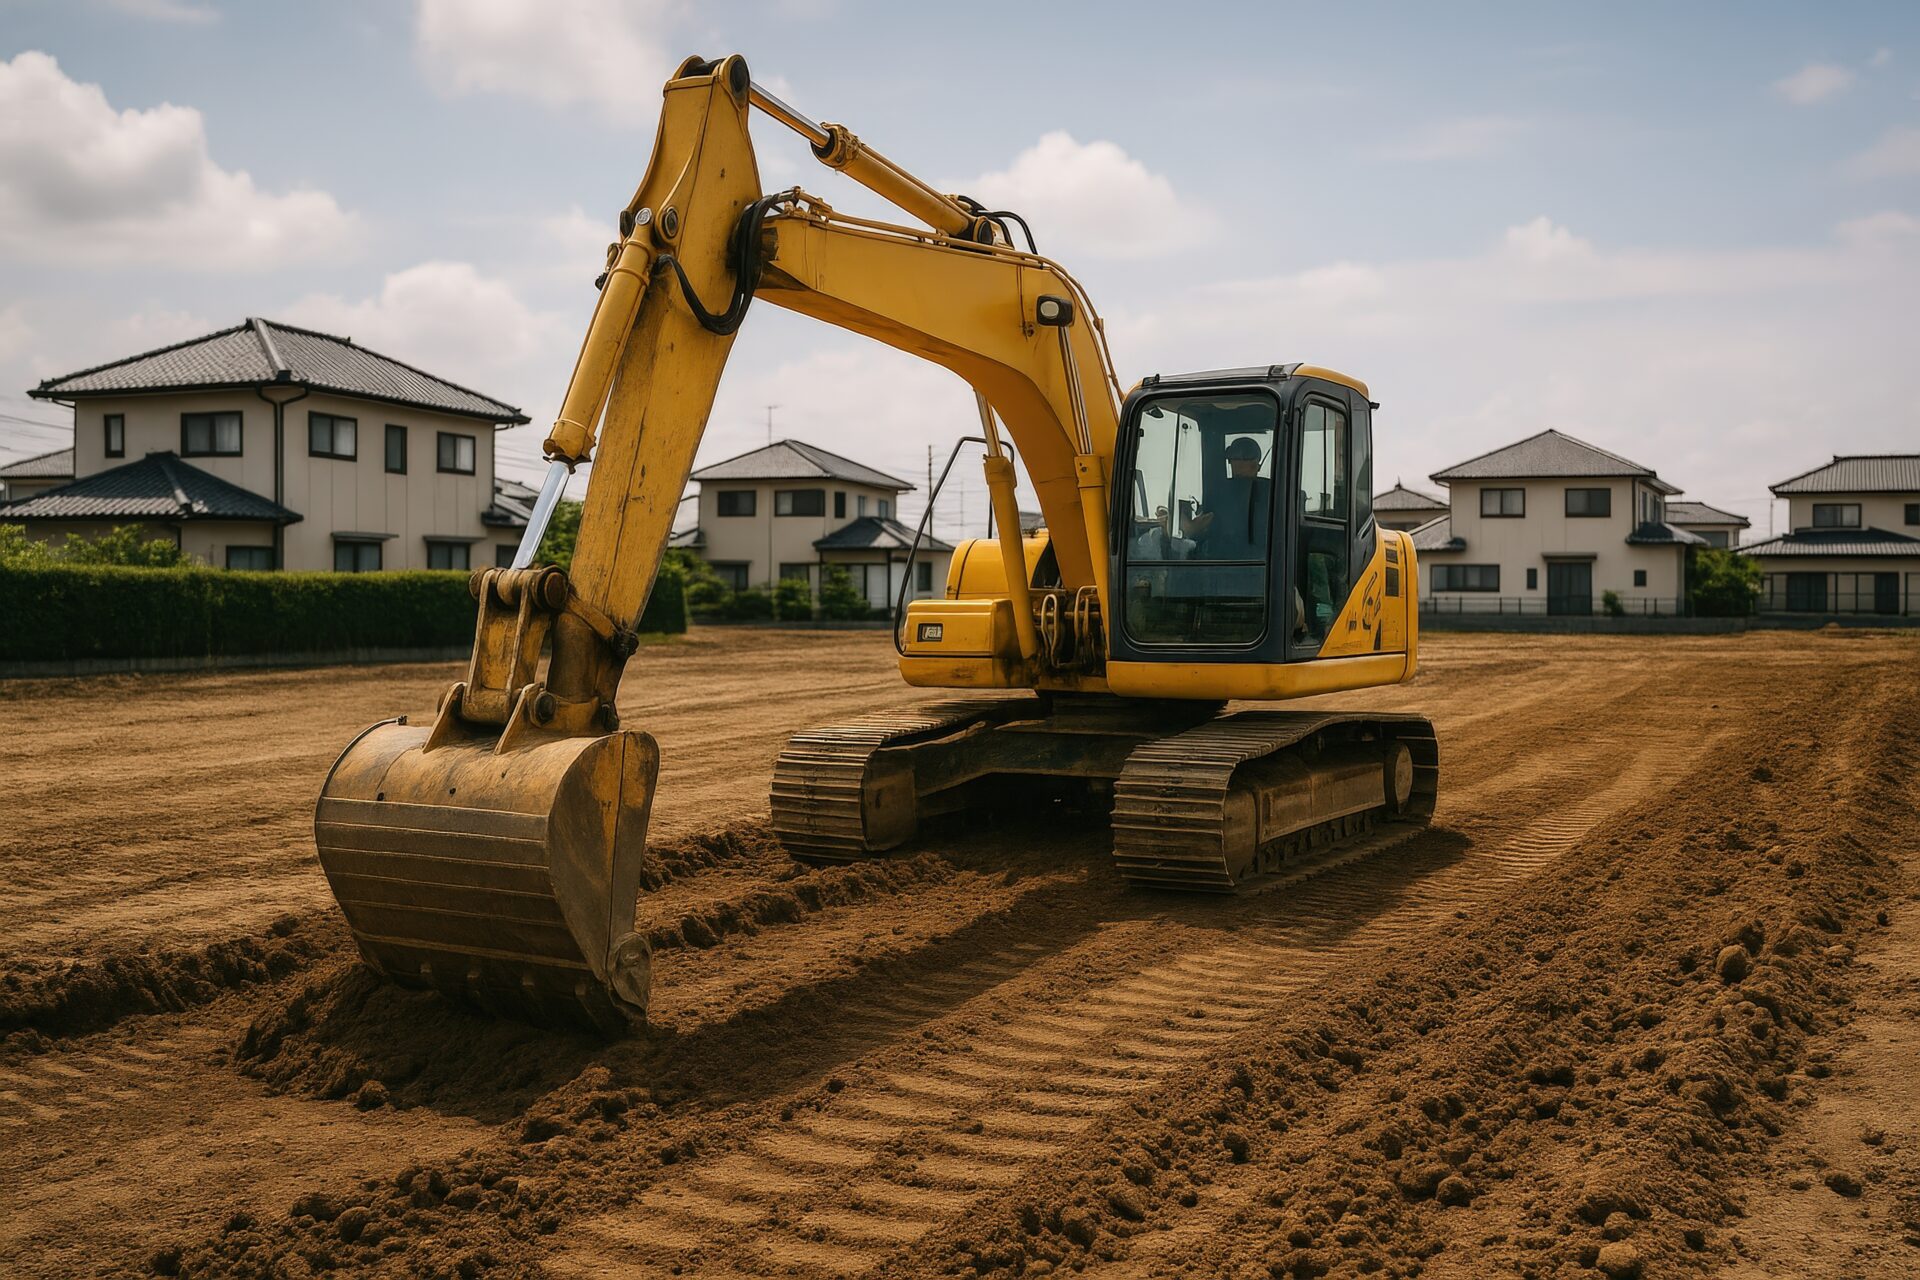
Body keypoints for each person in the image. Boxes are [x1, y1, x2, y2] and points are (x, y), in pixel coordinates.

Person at [1180, 435, 1270, 559]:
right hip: (1226, 564)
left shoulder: (1221, 491)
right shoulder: (1217, 493)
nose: (1240, 462)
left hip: (1252, 565)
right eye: (1236, 458)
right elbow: (1202, 528)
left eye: (1245, 458)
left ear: (1257, 465)